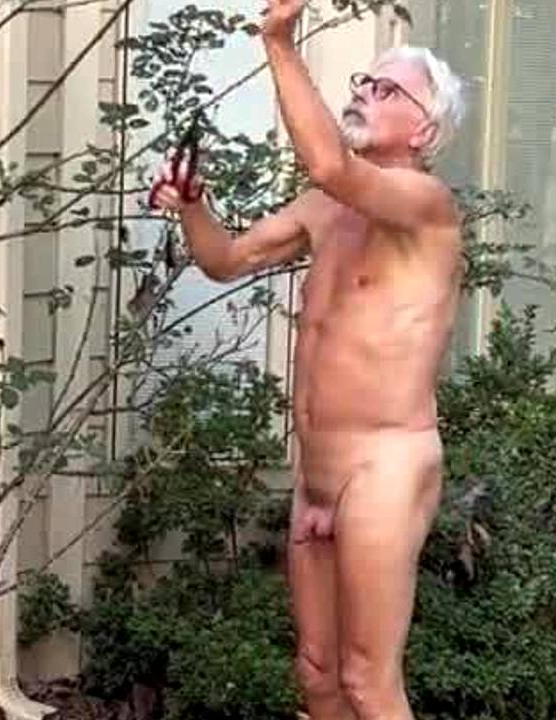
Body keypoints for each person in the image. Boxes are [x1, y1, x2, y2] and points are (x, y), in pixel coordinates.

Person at [148, 1, 466, 719]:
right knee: (318, 674)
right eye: (364, 82)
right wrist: (192, 205)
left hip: (385, 466)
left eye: (387, 89)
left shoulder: (426, 204)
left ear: (424, 129)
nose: (365, 93)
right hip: (316, 475)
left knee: (367, 680)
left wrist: (279, 40)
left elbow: (327, 161)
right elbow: (226, 260)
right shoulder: (324, 209)